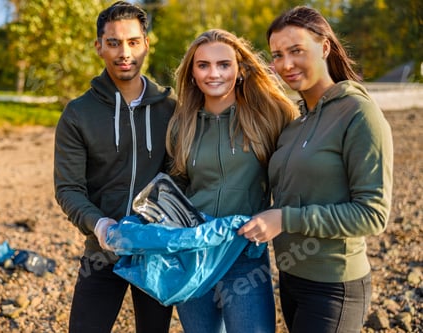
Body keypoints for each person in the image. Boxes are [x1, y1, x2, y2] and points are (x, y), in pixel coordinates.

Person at [238, 6, 394, 333]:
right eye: (278, 55)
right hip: (292, 278)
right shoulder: (295, 122)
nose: (286, 64)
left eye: (296, 50)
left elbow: (373, 214)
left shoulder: (359, 114)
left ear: (324, 47)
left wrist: (285, 218)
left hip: (335, 285)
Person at [53, 2, 176, 332]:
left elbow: (180, 176)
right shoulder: (78, 114)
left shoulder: (171, 107)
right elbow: (68, 189)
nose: (125, 52)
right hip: (102, 250)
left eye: (133, 42)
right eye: (114, 43)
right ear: (99, 46)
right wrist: (101, 226)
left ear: (146, 44)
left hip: (155, 250)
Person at [166, 29, 298, 333]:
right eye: (203, 65)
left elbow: (295, 175)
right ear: (192, 73)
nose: (214, 74)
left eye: (224, 64)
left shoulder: (272, 115)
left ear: (239, 70)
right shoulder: (181, 125)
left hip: (245, 256)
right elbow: (177, 188)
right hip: (194, 256)